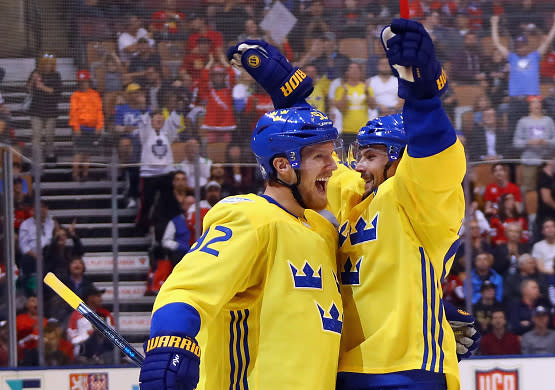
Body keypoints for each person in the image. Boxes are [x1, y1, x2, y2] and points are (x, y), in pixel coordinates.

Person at [229, 19, 478, 388]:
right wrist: (293, 103)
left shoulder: (418, 196)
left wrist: (423, 98)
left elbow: (435, 155)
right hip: (346, 370)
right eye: (359, 155)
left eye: (372, 156)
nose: (358, 165)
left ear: (400, 162)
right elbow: (318, 169)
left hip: (407, 370)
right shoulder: (356, 199)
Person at [138, 100, 343, 390]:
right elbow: (186, 289)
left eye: (332, 154)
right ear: (283, 166)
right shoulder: (250, 216)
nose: (333, 166)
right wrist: (169, 345)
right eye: (320, 156)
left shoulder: (323, 230)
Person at [27, 53, 62, 163]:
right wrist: (33, 79)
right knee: (36, 137)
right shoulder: (35, 72)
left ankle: (49, 155)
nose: (48, 65)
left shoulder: (56, 75)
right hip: (36, 110)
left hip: (50, 111)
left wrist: (42, 87)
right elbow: (28, 89)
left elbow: (57, 92)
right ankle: (37, 160)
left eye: (50, 63)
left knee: (49, 136)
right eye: (46, 63)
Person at [69, 70, 103, 182]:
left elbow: (99, 111)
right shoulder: (75, 96)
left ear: (89, 81)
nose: (83, 84)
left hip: (92, 128)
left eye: (85, 81)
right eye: (81, 81)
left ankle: (85, 174)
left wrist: (99, 126)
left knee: (88, 152)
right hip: (80, 128)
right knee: (79, 152)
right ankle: (75, 174)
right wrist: (76, 128)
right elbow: (73, 113)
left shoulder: (95, 94)